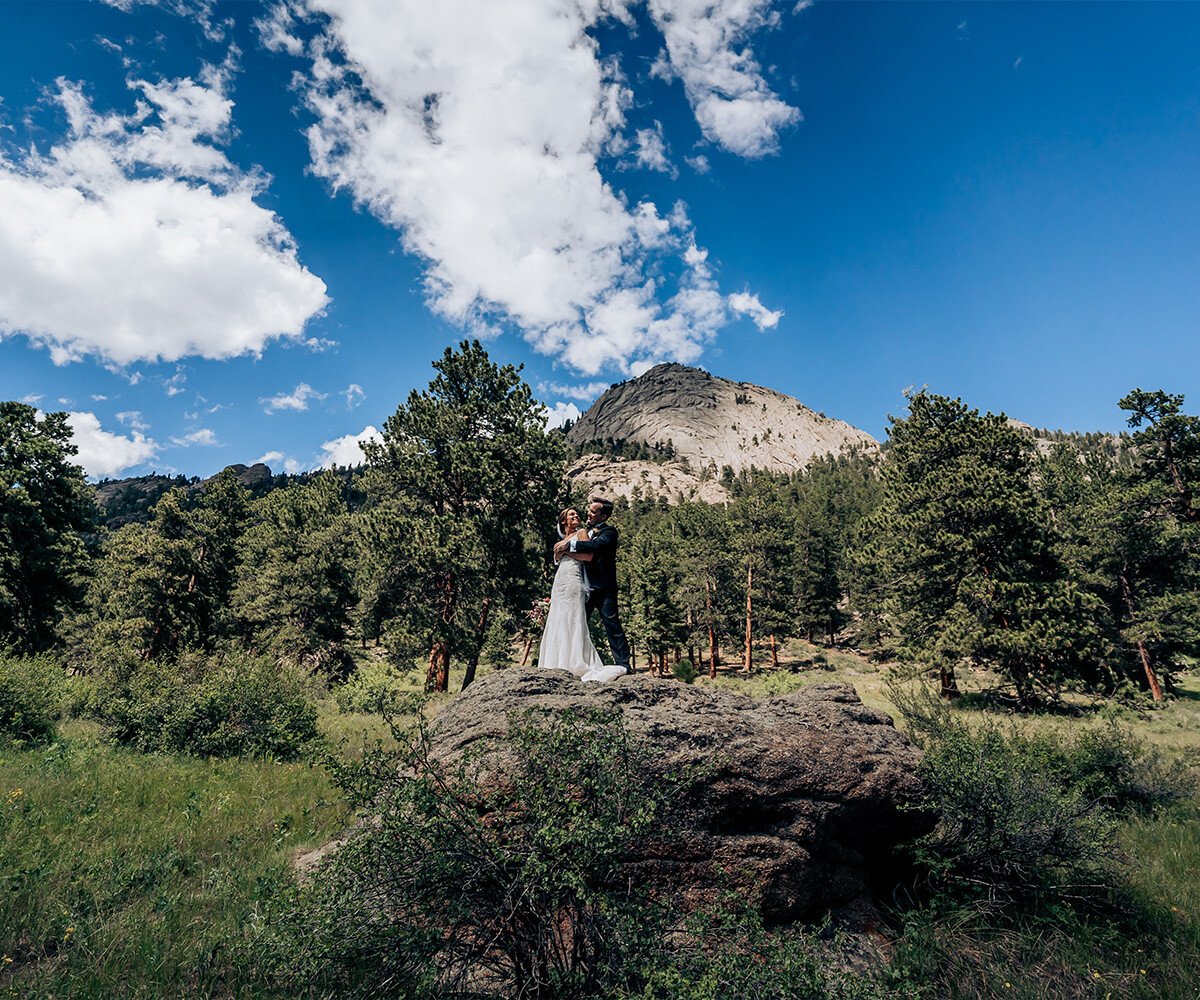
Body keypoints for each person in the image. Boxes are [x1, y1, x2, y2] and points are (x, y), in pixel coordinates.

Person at [537, 507, 627, 683]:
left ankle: (578, 660)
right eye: (572, 514)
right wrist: (561, 550)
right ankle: (557, 661)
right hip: (560, 581)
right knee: (559, 618)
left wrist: (566, 550)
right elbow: (556, 557)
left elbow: (588, 555)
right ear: (564, 521)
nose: (577, 515)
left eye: (576, 514)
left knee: (575, 619)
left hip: (575, 580)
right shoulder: (562, 540)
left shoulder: (583, 532)